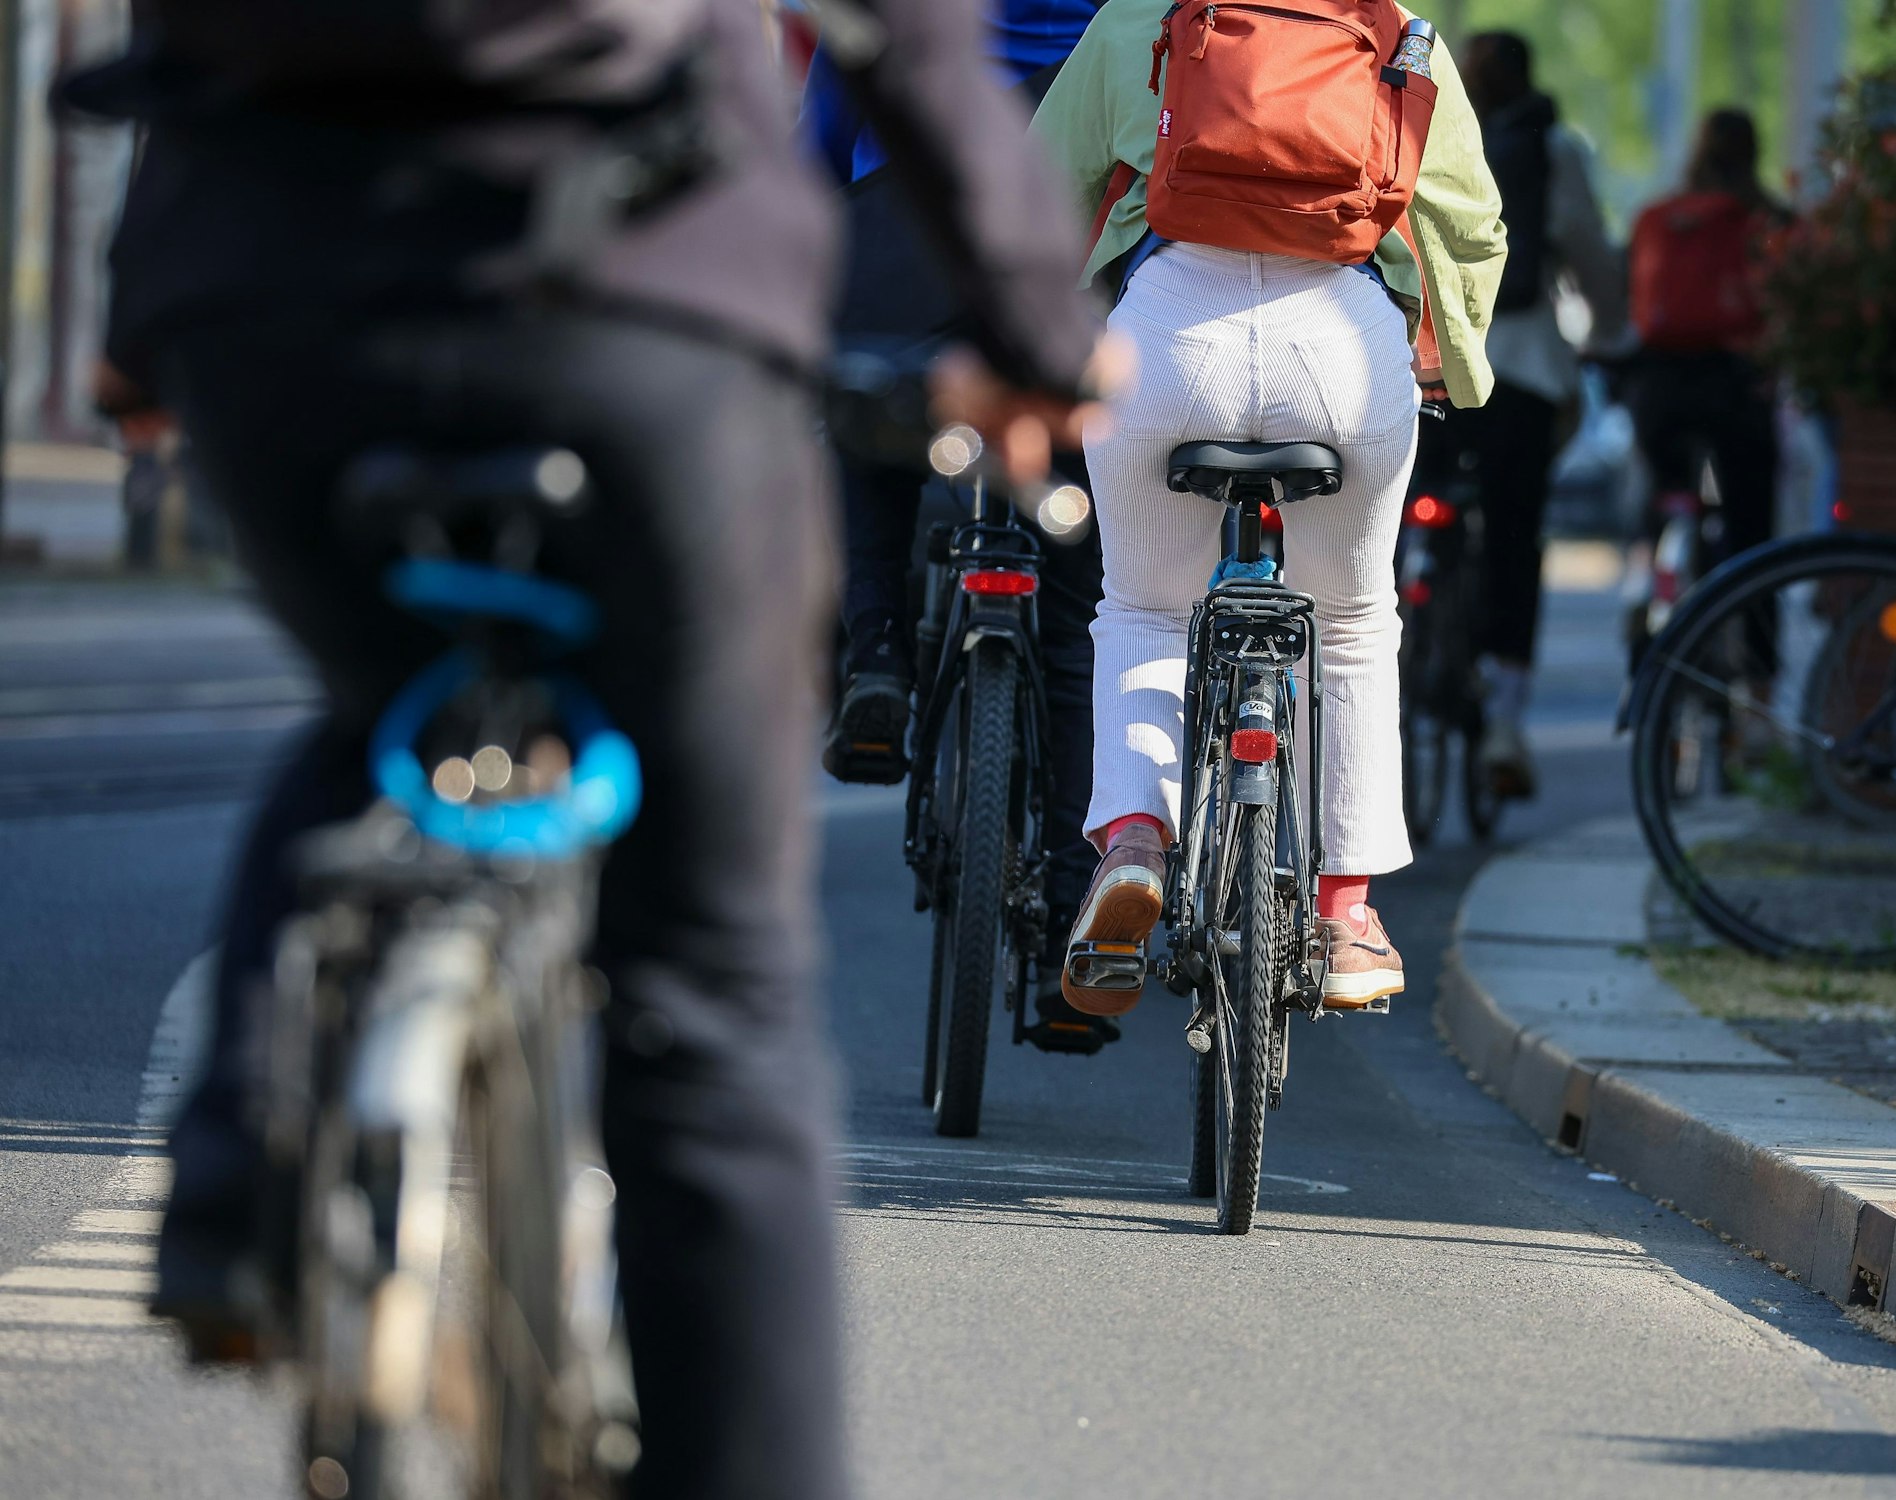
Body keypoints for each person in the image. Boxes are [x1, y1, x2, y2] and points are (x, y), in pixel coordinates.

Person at [65, 3, 1113, 1496]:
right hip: (644, 303)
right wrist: (1030, 325)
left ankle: (237, 1171)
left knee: (384, 711)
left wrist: (138, 316)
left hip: (271, 308)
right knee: (707, 980)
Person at [1032, 2, 1507, 1016]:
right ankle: (1344, 913)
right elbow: (1463, 218)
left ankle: (1131, 838)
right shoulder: (1399, 25)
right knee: (1351, 620)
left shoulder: (1138, 16)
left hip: (1169, 334)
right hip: (1341, 341)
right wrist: (1446, 361)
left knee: (1143, 608)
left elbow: (1041, 189)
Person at [808, 0, 1118, 1053]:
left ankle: (876, 656)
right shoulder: (1122, 20)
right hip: (1065, 247)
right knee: (1077, 615)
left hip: (898, 221)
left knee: (863, 432)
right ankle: (1081, 919)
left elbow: (812, 136)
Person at [1450, 30, 1624, 801]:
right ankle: (1506, 724)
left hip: (1425, 365)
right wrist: (1617, 334)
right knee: (1515, 536)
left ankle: (1388, 673)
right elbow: (1587, 250)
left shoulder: (1424, 124)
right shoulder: (1552, 148)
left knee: (1390, 524)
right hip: (1520, 368)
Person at [1625, 108, 1788, 602]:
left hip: (1662, 383)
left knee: (1663, 493)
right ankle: (1758, 661)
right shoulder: (1770, 222)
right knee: (1750, 522)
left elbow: (1626, 293)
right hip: (1736, 382)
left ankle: (1651, 595)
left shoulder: (1658, 217)